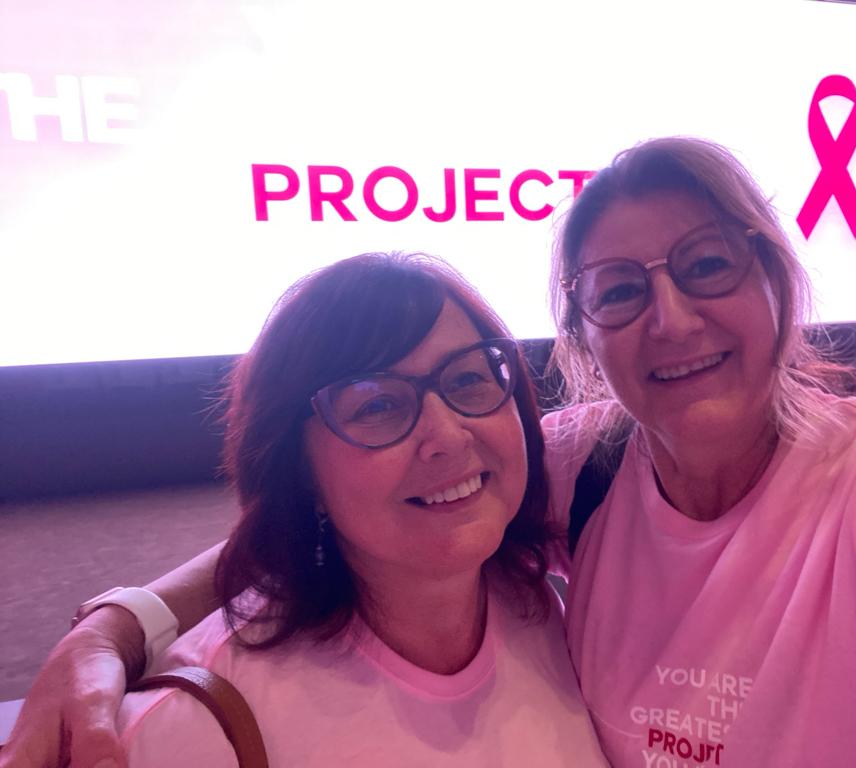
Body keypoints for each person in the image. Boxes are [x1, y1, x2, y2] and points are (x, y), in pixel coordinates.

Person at [5, 137, 856, 768]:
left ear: (778, 280)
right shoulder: (589, 469)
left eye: (708, 264)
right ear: (584, 338)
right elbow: (334, 517)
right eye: (619, 291)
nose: (671, 317)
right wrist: (116, 626)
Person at [2, 252, 609, 767]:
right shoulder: (190, 729)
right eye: (377, 406)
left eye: (469, 379)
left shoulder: (543, 611)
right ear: (299, 469)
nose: (447, 436)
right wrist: (114, 627)